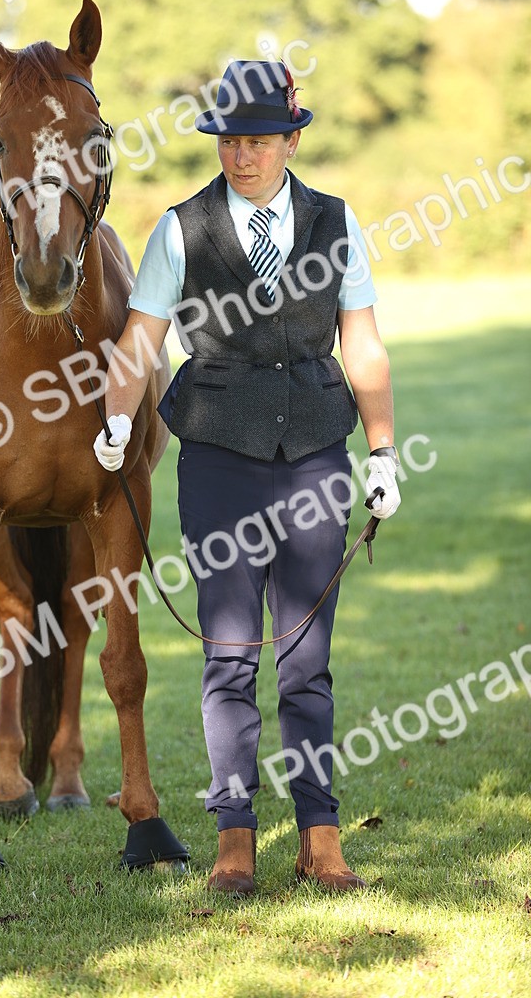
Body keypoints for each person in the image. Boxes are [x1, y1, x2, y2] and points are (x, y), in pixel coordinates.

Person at [93, 60, 401, 895]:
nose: (242, 156)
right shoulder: (180, 229)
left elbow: (362, 345)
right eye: (231, 141)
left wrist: (382, 451)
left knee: (305, 659)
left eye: (259, 140)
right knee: (229, 656)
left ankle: (321, 835)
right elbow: (142, 339)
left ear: (293, 139)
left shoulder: (337, 224)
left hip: (313, 459)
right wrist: (118, 418)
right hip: (219, 463)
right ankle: (234, 835)